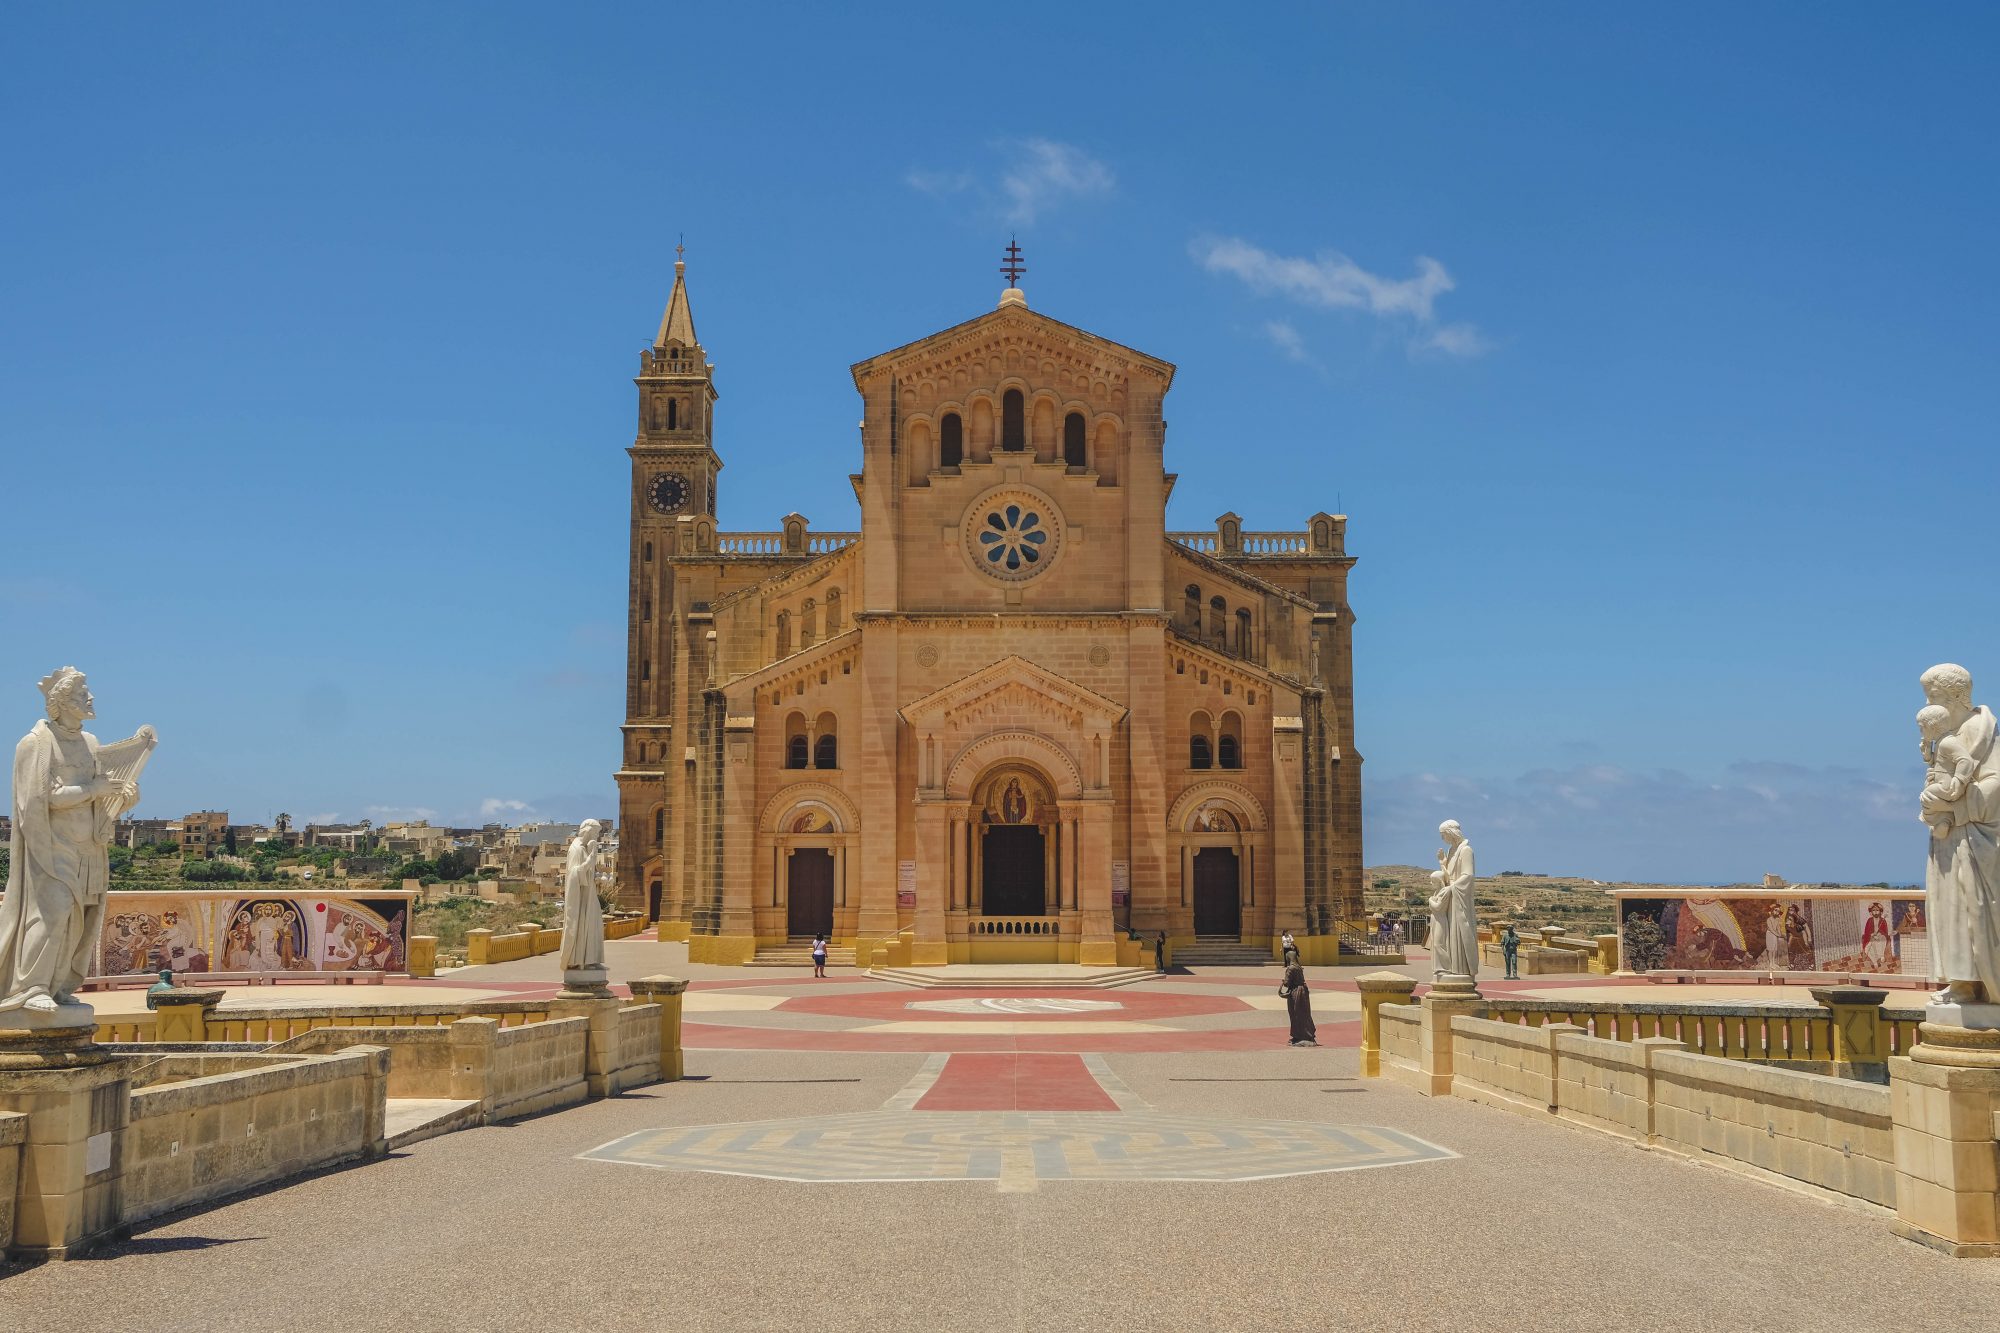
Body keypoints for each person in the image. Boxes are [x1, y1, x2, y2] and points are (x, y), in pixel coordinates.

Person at [0, 667, 142, 1013]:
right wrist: (93, 789)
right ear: (61, 701)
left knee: (80, 920)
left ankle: (59, 984)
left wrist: (124, 799)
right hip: (52, 847)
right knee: (53, 912)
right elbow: (37, 799)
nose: (89, 698)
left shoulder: (91, 744)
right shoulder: (35, 744)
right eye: (81, 694)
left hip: (89, 849)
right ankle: (30, 986)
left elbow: (99, 798)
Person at [1280, 957, 1316, 1046]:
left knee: (1295, 1014)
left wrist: (1283, 982)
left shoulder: (1290, 968)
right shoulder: (1299, 967)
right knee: (1305, 1013)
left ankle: (1299, 1035)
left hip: (1295, 992)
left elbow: (1287, 983)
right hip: (1303, 991)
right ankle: (1308, 1034)